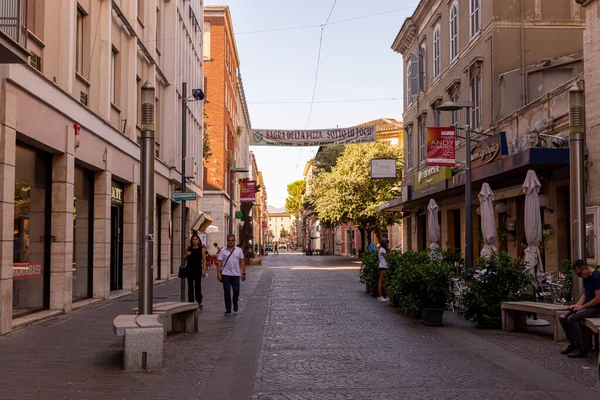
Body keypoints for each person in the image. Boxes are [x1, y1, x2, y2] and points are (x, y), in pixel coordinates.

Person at [559, 259, 600, 358]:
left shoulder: (597, 276)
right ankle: (573, 344)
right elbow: (585, 295)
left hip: (596, 309)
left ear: (585, 268)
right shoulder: (586, 277)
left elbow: (598, 298)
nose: (579, 277)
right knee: (563, 317)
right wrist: (576, 305)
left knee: (572, 319)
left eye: (579, 274)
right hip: (587, 307)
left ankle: (581, 347)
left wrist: (582, 307)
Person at [217, 234, 246, 316]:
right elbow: (219, 262)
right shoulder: (223, 250)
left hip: (235, 274)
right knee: (227, 292)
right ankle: (228, 309)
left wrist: (243, 272)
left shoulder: (239, 250)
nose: (230, 242)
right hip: (225, 274)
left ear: (235, 240)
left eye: (232, 240)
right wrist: (218, 273)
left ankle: (235, 302)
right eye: (229, 240)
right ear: (227, 241)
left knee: (236, 291)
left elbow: (242, 261)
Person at [184, 234, 207, 310]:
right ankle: (191, 302)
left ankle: (199, 301)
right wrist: (187, 255)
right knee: (190, 286)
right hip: (189, 269)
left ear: (199, 241)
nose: (195, 241)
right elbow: (184, 258)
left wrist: (204, 270)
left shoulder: (201, 249)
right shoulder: (188, 248)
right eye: (193, 239)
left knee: (198, 286)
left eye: (196, 239)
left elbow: (204, 260)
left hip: (197, 269)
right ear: (191, 241)